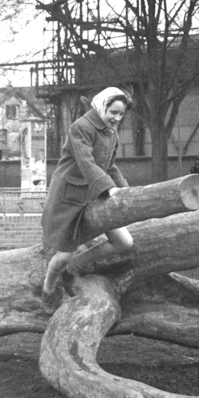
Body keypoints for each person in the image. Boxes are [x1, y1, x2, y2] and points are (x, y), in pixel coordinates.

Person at [40, 86, 134, 314]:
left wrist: (125, 190)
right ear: (101, 105)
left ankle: (75, 267)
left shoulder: (112, 134)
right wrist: (108, 189)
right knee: (62, 256)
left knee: (124, 242)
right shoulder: (80, 127)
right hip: (69, 198)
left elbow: (110, 166)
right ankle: (48, 289)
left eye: (121, 114)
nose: (117, 118)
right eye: (113, 112)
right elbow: (86, 162)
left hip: (95, 194)